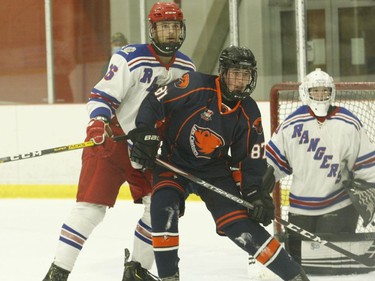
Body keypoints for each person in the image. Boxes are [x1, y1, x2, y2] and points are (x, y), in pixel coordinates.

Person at [127, 45, 309, 281]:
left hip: (215, 172)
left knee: (240, 225)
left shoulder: (249, 110)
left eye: (245, 75)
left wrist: (254, 192)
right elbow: (155, 102)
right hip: (174, 163)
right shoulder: (194, 85)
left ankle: (295, 276)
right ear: (223, 73)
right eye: (235, 73)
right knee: (163, 207)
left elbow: (250, 159)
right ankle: (169, 277)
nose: (239, 81)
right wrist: (145, 132)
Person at [42, 2, 195, 281]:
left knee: (160, 207)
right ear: (153, 30)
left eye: (175, 26)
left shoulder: (187, 67)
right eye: (164, 27)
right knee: (90, 209)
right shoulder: (129, 57)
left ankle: (136, 270)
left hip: (148, 149)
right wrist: (98, 122)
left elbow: (181, 115)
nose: (170, 33)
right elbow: (102, 96)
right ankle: (57, 272)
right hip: (111, 140)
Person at [265, 68, 375, 265]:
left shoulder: (348, 122)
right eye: (316, 91)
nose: (321, 95)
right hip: (300, 210)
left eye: (325, 91)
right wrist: (259, 186)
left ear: (332, 92)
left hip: (339, 206)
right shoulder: (291, 125)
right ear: (305, 92)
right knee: (301, 266)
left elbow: (366, 165)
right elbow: (272, 164)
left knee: (333, 268)